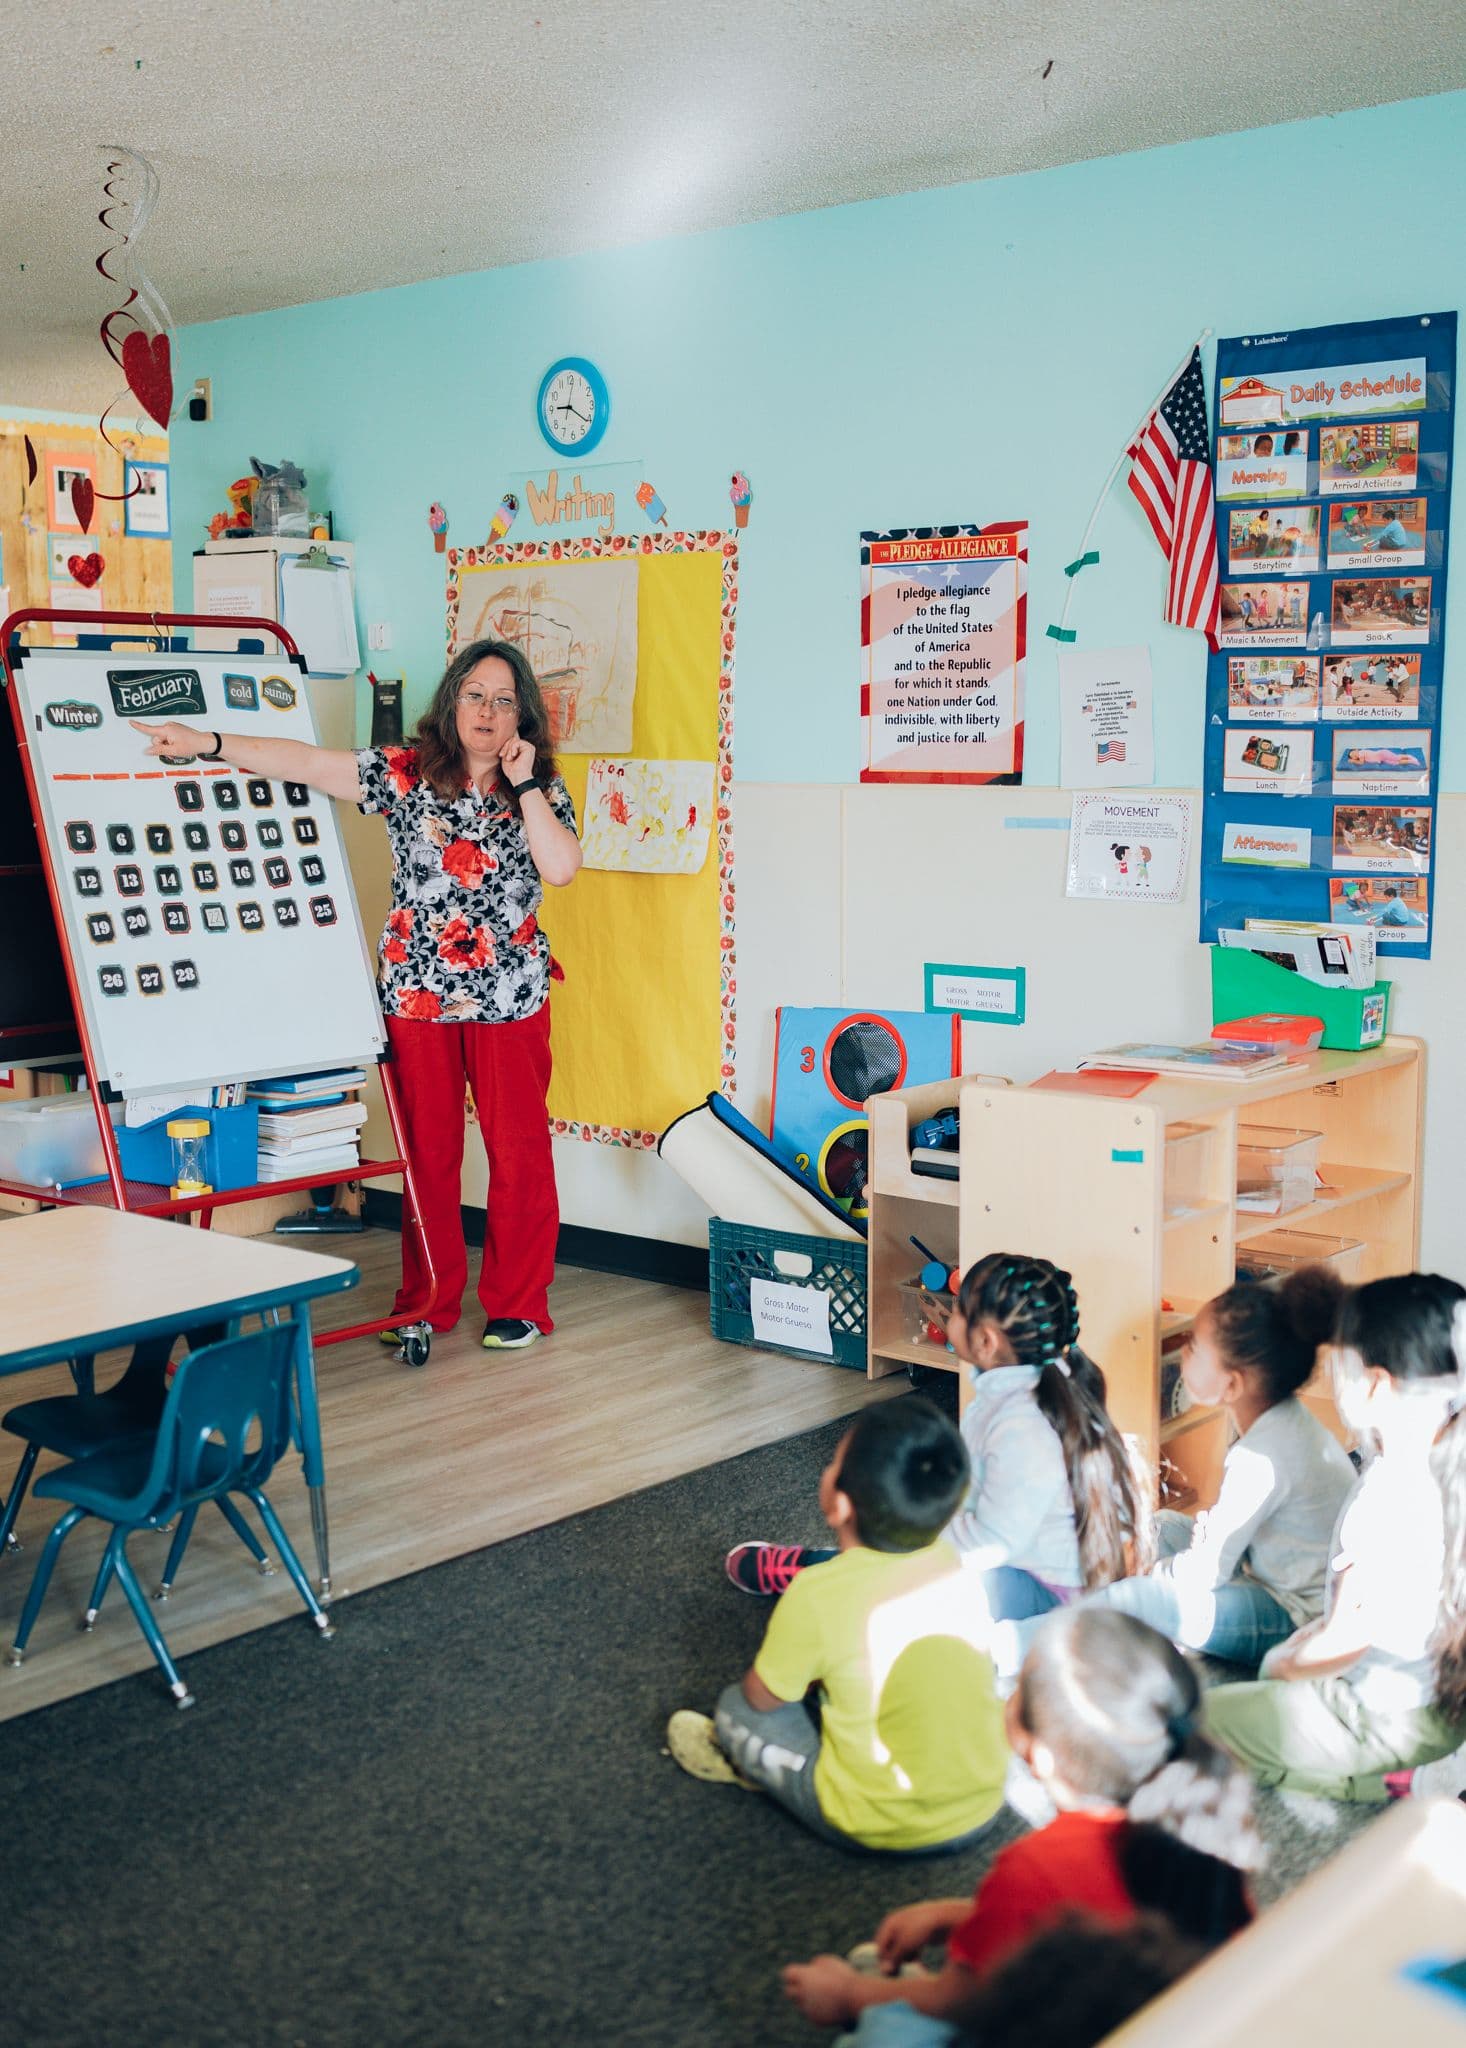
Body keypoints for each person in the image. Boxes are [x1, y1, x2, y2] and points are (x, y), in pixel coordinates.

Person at [133, 636, 583, 1351]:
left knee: (520, 1154)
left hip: (510, 997)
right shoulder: (407, 772)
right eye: (475, 695)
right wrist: (206, 741)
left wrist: (525, 785)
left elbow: (560, 869)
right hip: (416, 997)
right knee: (426, 1157)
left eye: (504, 701)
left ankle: (519, 1303)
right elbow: (307, 763)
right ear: (452, 702)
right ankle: (427, 1301)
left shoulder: (542, 788)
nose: (487, 712)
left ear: (521, 716)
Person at [781, 1609, 1258, 2043]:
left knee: (887, 2030)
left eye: (1020, 1686)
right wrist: (961, 1916)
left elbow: (965, 2000)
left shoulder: (1037, 1866)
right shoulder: (1212, 1825)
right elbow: (1101, 1916)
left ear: (1043, 1755)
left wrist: (846, 1994)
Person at [724, 1255, 1151, 1641]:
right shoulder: (1040, 1384)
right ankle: (836, 1569)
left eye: (959, 1309)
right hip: (1023, 1567)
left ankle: (815, 1572)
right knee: (894, 1560)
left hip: (1041, 1592)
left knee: (892, 1589)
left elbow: (993, 1543)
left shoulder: (1025, 1427)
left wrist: (918, 1543)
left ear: (985, 1342)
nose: (950, 1313)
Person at [666, 1399, 1008, 1854]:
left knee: (734, 1709)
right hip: (984, 1805)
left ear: (839, 1504)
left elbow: (759, 1696)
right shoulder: (957, 1569)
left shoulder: (816, 1592)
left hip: (876, 1822)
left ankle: (762, 1771)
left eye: (833, 1463)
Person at [1205, 1273, 1466, 1802]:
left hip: (1383, 1716)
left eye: (1337, 1366)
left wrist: (1280, 1667)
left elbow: (1346, 1642)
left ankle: (1392, 1779)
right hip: (1442, 1707)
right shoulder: (1444, 1462)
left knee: (1195, 1723)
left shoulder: (1388, 1494)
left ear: (1375, 1385)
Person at [1082, 1271, 1355, 1667]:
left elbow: (1206, 1572)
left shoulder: (1260, 1458)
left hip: (1292, 1615)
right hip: (1259, 1571)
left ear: (1232, 1385)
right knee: (1159, 1525)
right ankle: (1100, 1601)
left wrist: (1152, 1578)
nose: (1183, 1354)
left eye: (1193, 1347)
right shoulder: (1284, 1422)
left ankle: (1031, 1640)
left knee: (1140, 1598)